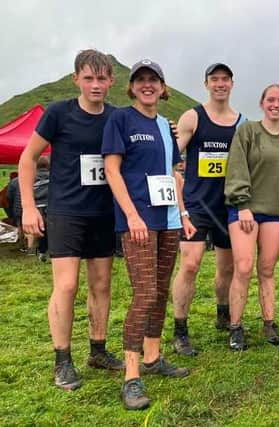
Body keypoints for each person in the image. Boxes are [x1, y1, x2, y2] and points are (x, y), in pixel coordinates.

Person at [18, 49, 123, 391]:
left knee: (102, 284)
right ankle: (62, 360)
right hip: (66, 212)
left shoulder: (117, 117)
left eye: (102, 78)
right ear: (76, 78)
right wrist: (30, 208)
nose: (96, 84)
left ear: (111, 81)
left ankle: (98, 349)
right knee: (66, 285)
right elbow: (28, 158)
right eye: (89, 78)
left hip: (103, 213)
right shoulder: (58, 113)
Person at [102, 59, 194, 410]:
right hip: (137, 220)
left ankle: (154, 357)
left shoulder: (166, 127)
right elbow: (112, 169)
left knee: (159, 291)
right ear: (132, 87)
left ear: (162, 86)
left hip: (168, 219)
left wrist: (183, 214)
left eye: (152, 80)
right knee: (143, 293)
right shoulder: (121, 119)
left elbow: (173, 173)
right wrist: (131, 214)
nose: (147, 85)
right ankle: (131, 374)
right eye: (140, 80)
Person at [170, 63, 246, 356]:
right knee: (189, 265)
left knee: (226, 268)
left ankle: (223, 313)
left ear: (232, 84)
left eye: (225, 79)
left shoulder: (240, 122)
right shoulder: (193, 116)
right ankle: (181, 329)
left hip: (228, 206)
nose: (220, 84)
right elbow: (171, 153)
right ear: (206, 84)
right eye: (214, 79)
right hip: (196, 205)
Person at [224, 84, 279, 350]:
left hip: (274, 213)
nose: (276, 104)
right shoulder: (247, 131)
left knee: (267, 269)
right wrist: (242, 203)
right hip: (244, 210)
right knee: (244, 266)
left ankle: (269, 323)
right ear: (262, 103)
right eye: (271, 99)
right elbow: (236, 167)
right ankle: (235, 327)